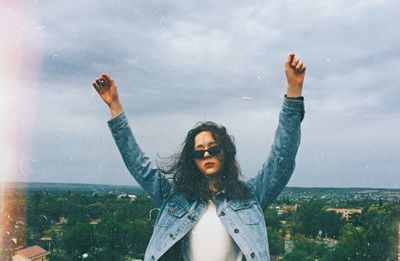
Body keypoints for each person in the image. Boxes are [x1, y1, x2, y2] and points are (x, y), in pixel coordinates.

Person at [92, 53, 306, 261]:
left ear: (225, 152)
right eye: (199, 151)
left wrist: (294, 91)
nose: (206, 154)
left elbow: (282, 160)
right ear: (192, 159)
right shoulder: (175, 198)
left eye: (213, 148)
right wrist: (115, 107)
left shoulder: (251, 196)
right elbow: (138, 164)